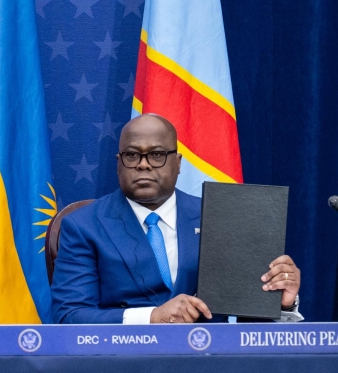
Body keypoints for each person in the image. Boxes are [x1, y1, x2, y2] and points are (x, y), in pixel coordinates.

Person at [51, 113, 302, 324]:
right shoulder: (83, 226)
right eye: (132, 155)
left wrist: (281, 304)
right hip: (123, 360)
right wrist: (152, 316)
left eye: (157, 154)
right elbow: (70, 316)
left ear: (178, 162)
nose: (144, 165)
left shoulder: (220, 218)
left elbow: (251, 329)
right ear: (119, 163)